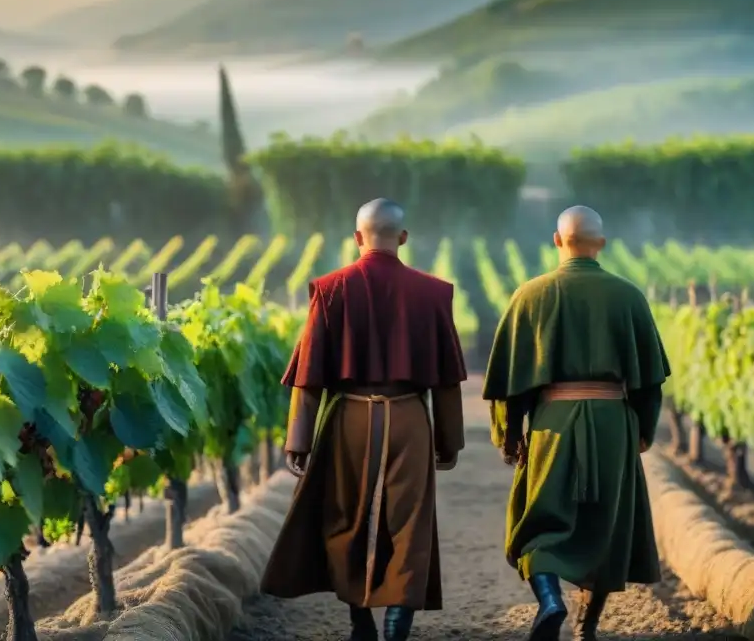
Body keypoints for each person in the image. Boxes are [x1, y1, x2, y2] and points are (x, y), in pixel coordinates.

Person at [259, 198, 467, 641]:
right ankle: (396, 626)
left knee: (345, 520)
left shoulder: (330, 288)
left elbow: (310, 374)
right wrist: (449, 441)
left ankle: (360, 621)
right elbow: (448, 380)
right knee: (410, 524)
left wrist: (299, 438)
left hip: (348, 419)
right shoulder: (435, 292)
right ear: (403, 238)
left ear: (357, 238)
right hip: (410, 418)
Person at [482, 205, 670, 641]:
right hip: (612, 424)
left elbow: (508, 386)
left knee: (539, 522)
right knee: (605, 525)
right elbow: (649, 382)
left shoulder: (529, 295)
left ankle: (550, 601)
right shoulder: (629, 296)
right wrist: (642, 431)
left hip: (554, 424)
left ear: (556, 241)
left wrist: (509, 437)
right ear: (601, 244)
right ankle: (587, 627)